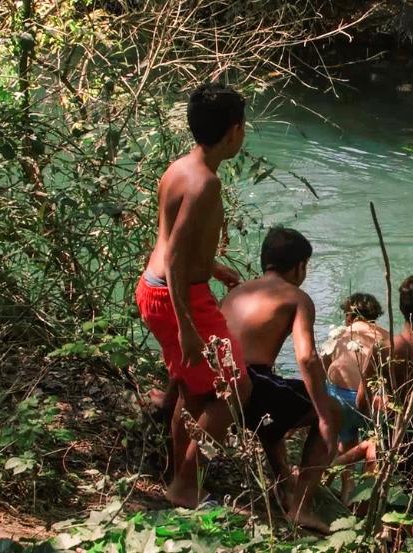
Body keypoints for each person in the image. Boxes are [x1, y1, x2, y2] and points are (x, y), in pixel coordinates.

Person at [135, 83, 253, 509]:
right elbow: (179, 255)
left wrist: (214, 268)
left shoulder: (180, 168)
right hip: (178, 297)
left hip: (156, 288)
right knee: (235, 389)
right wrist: (187, 326)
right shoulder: (205, 184)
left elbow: (172, 243)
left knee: (194, 390)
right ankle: (187, 484)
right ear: (234, 132)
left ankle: (175, 477)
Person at [220, 227, 340, 532]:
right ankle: (300, 507)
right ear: (299, 266)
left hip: (221, 384)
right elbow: (307, 358)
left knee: (277, 399)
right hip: (252, 383)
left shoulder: (237, 291)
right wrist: (324, 410)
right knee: (330, 411)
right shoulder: (297, 297)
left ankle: (285, 483)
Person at [335, 274, 413, 493]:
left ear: (401, 309)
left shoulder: (383, 349)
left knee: (393, 504)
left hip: (393, 438)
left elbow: (362, 401)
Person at [322, 292, 389, 503]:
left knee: (347, 439)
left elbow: (324, 366)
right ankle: (369, 494)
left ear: (349, 316)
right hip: (372, 399)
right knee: (374, 443)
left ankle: (346, 487)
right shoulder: (385, 336)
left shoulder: (340, 334)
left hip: (341, 398)